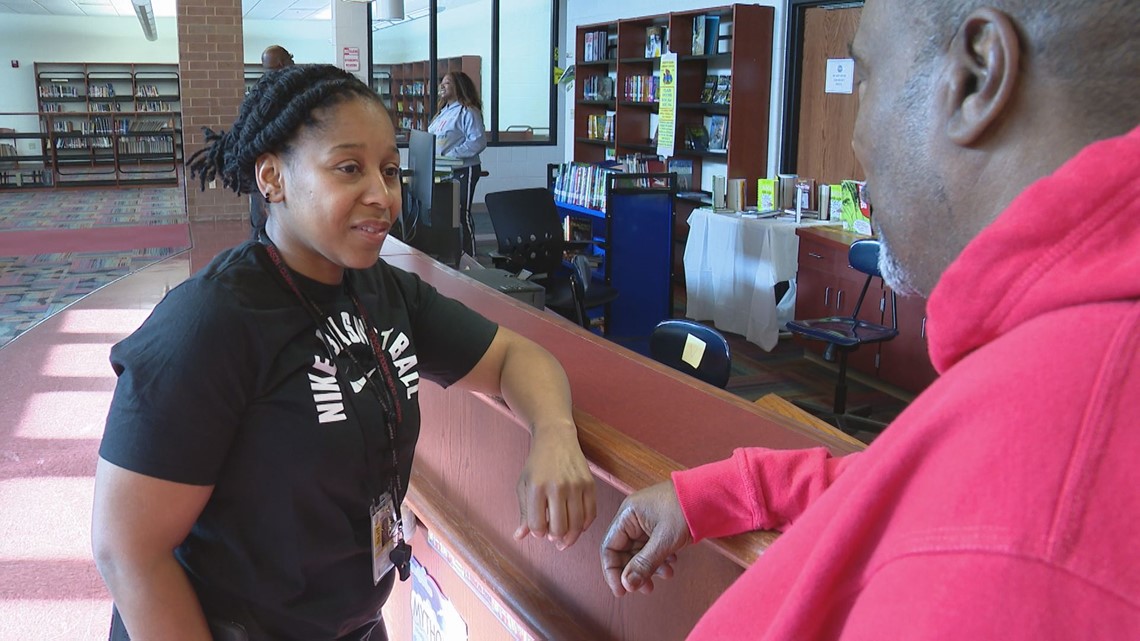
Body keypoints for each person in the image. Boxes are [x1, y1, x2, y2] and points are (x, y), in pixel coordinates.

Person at [601, 0, 1139, 638]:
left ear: (974, 78)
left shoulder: (1033, 539)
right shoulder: (1059, 364)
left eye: (867, 78)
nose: (855, 139)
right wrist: (724, 494)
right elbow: (923, 482)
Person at [92, 64, 596, 641]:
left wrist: (554, 434)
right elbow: (126, 549)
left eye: (390, 170)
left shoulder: (383, 292)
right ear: (272, 178)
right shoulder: (210, 322)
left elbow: (516, 359)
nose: (382, 195)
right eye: (349, 168)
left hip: (351, 623)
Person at [426, 70, 487, 257]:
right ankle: (450, 254)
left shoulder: (468, 111)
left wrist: (451, 155)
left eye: (447, 83)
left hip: (463, 169)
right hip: (441, 169)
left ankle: (471, 257)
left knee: (461, 213)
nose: (442, 86)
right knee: (445, 214)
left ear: (459, 87)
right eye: (442, 83)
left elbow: (478, 141)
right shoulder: (443, 112)